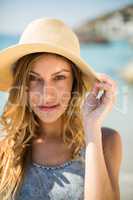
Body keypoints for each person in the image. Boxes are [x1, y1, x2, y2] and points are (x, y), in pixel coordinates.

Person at [0, 17, 122, 200]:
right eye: (34, 78)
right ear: (23, 84)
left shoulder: (106, 141)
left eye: (59, 78)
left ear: (75, 82)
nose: (46, 94)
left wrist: (92, 127)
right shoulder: (4, 150)